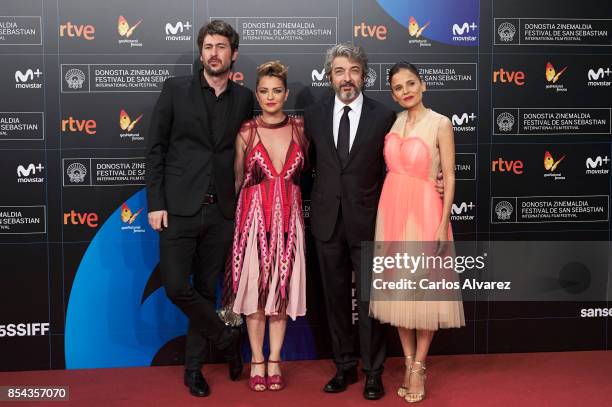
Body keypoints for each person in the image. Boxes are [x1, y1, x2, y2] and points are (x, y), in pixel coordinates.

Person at [145, 20, 254, 397]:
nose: (214, 53)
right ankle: (227, 338)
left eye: (221, 46)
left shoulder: (244, 98)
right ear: (200, 51)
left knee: (206, 291)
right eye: (208, 46)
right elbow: (155, 148)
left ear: (233, 54)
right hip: (178, 209)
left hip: (222, 212)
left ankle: (194, 370)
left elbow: (257, 144)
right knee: (176, 287)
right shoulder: (176, 90)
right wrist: (156, 202)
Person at [303, 43, 395, 400]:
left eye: (354, 71)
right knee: (335, 298)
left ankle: (373, 372)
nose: (347, 78)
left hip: (369, 220)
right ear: (330, 76)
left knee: (371, 301)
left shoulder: (383, 116)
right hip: (327, 222)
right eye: (340, 71)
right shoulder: (313, 114)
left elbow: (397, 164)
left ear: (364, 75)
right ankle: (344, 367)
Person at [369, 62, 465, 403]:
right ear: (393, 93)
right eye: (398, 87)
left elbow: (450, 176)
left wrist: (442, 222)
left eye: (411, 83)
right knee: (397, 291)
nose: (405, 90)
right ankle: (408, 361)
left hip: (426, 214)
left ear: (423, 85)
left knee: (424, 295)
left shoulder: (440, 123)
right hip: (391, 213)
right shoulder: (393, 123)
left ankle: (419, 367)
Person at [222, 61, 307, 392]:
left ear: (286, 94)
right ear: (256, 94)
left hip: (289, 222)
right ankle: (256, 359)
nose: (270, 97)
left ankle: (275, 360)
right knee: (256, 295)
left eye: (276, 91)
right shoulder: (247, 131)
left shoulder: (300, 129)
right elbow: (237, 179)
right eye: (263, 91)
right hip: (252, 222)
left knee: (280, 293)